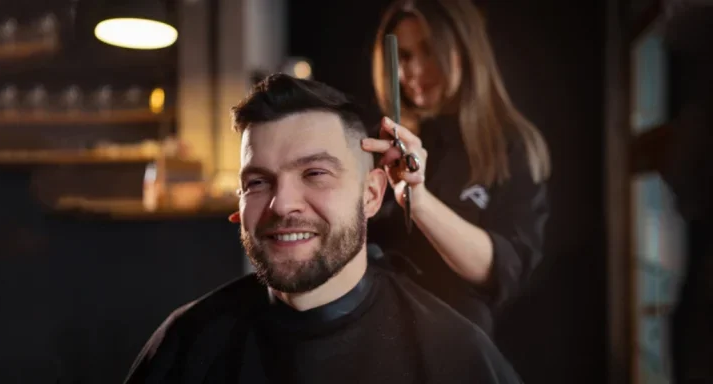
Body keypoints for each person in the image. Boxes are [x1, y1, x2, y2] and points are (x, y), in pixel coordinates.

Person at [123, 74, 523, 384]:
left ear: (370, 195)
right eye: (258, 182)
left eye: (315, 173)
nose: (282, 205)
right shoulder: (188, 344)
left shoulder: (454, 355)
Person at [362, 0, 552, 339]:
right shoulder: (385, 142)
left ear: (464, 49)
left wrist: (418, 202)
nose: (415, 71)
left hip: (456, 346)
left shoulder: (511, 147)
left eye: (429, 50)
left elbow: (502, 268)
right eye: (404, 57)